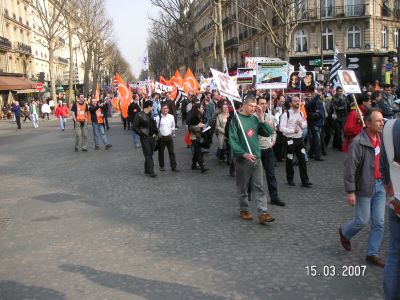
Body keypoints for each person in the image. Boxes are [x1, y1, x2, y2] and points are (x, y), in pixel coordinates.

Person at [339, 108, 386, 268]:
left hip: (380, 186)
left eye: (382, 120)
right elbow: (350, 168)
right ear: (368, 123)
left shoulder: (382, 139)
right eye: (378, 120)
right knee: (362, 220)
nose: (382, 123)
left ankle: (372, 253)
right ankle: (345, 233)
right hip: (364, 187)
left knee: (379, 222)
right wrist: (350, 191)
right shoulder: (358, 142)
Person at [229, 96, 275, 224]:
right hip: (243, 159)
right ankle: (243, 209)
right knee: (242, 186)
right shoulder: (236, 119)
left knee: (259, 186)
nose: (253, 108)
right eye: (251, 106)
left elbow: (267, 132)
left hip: (256, 156)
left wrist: (261, 118)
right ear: (244, 105)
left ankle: (263, 212)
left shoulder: (255, 119)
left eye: (255, 106)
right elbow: (233, 140)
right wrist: (242, 153)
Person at [381, 118, 400, 299]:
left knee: (394, 255)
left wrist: (390, 190)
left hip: (396, 199)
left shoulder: (389, 126)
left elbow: (383, 166)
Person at [258, 97, 285, 206]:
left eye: (265, 103)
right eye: (261, 103)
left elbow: (274, 132)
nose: (264, 105)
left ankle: (274, 197)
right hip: (256, 150)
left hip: (268, 149)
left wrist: (273, 140)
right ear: (257, 105)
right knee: (254, 175)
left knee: (271, 174)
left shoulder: (270, 117)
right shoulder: (253, 118)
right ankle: (249, 194)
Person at [279, 96, 312, 187]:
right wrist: (292, 131)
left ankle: (305, 181)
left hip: (299, 139)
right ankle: (290, 179)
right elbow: (281, 128)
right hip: (290, 140)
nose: (297, 102)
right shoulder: (286, 114)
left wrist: (301, 124)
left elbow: (305, 124)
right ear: (290, 103)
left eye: (298, 101)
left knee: (302, 160)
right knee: (289, 159)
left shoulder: (301, 113)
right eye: (295, 101)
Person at [132, 100, 158, 178]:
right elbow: (134, 127)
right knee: (148, 154)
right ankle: (152, 171)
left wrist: (155, 133)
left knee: (150, 153)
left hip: (151, 137)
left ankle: (147, 169)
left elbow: (152, 125)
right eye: (152, 106)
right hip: (144, 137)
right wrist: (142, 134)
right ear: (148, 106)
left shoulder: (150, 114)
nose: (153, 108)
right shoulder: (139, 115)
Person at [155, 103, 179, 172]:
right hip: (161, 137)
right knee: (161, 152)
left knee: (171, 152)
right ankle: (161, 166)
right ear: (161, 109)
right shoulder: (158, 118)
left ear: (168, 109)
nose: (165, 110)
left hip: (169, 136)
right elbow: (156, 128)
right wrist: (158, 134)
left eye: (166, 108)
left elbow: (173, 126)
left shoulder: (171, 116)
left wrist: (172, 132)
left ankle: (174, 166)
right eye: (163, 108)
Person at [188, 103, 209, 173]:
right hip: (193, 136)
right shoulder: (194, 117)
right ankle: (202, 167)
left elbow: (202, 125)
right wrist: (199, 127)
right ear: (198, 109)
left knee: (196, 152)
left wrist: (204, 126)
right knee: (198, 151)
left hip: (199, 136)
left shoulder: (201, 116)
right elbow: (190, 128)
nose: (203, 109)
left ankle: (193, 165)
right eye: (201, 107)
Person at [306, 89, 325, 161]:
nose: (316, 96)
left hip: (319, 124)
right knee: (317, 140)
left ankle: (311, 153)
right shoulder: (310, 103)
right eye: (314, 94)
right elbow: (313, 103)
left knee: (315, 140)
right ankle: (317, 156)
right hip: (314, 124)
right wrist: (317, 95)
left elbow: (322, 113)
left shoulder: (319, 102)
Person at [331, 87, 348, 151]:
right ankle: (339, 146)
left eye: (341, 91)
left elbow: (347, 105)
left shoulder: (344, 97)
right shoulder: (334, 98)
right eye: (339, 91)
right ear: (336, 91)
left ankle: (335, 144)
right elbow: (335, 107)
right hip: (336, 116)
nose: (340, 92)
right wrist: (343, 107)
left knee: (341, 131)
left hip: (343, 116)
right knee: (338, 131)